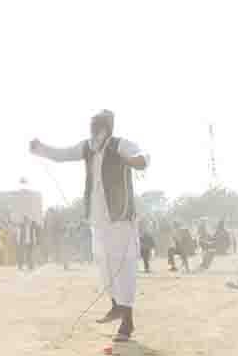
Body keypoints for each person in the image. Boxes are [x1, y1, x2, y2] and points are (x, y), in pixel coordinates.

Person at [30, 110, 150, 342]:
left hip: (120, 219)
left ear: (107, 128)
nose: (93, 131)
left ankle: (128, 323)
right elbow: (62, 154)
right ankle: (116, 306)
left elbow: (142, 156)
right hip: (98, 220)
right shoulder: (87, 147)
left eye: (97, 127)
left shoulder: (120, 145)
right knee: (104, 265)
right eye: (91, 127)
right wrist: (41, 148)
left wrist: (138, 161)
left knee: (123, 268)